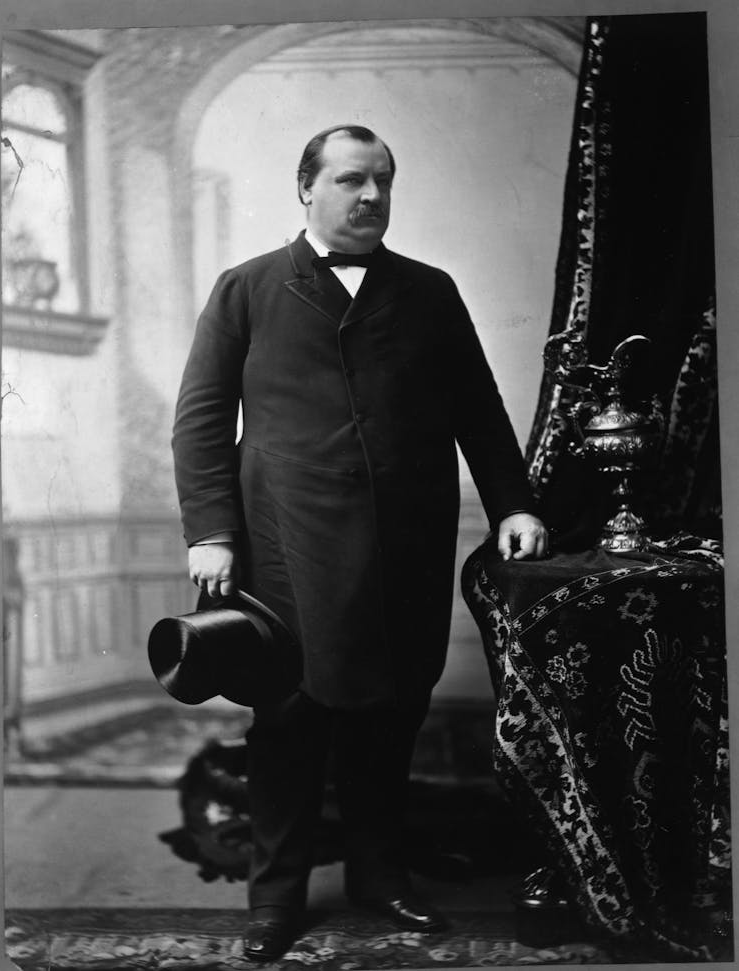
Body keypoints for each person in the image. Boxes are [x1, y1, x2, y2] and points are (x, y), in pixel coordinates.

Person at [172, 123, 547, 961]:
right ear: (306, 188)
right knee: (289, 718)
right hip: (281, 542)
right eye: (350, 180)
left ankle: (383, 877)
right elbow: (199, 419)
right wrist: (211, 532)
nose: (370, 195)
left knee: (391, 711)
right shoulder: (247, 288)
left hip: (404, 540)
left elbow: (478, 409)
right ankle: (275, 896)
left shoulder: (429, 290)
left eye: (382, 180)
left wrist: (513, 505)